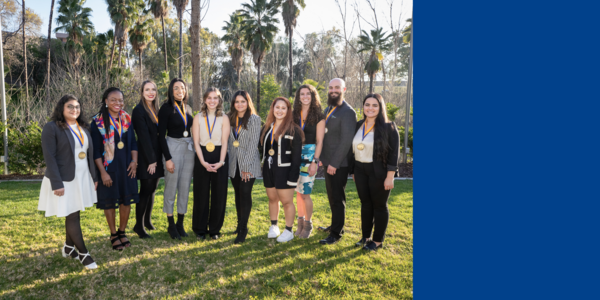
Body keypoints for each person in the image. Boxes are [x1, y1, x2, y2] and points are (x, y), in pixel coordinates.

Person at [38, 94, 99, 269]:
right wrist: (56, 183)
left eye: (77, 107)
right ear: (62, 109)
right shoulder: (52, 128)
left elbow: (89, 155)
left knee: (75, 212)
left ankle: (68, 247)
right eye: (70, 106)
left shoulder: (83, 128)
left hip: (82, 177)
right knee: (72, 214)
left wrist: (93, 177)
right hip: (64, 179)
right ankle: (83, 254)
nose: (74, 110)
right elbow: (49, 157)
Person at [349, 94, 399, 251]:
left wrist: (390, 176)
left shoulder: (388, 127)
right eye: (367, 105)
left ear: (380, 107)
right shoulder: (358, 125)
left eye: (374, 105)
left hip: (379, 172)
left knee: (379, 206)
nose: (370, 108)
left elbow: (394, 155)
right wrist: (353, 172)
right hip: (360, 170)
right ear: (363, 107)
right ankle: (365, 237)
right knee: (365, 204)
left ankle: (377, 241)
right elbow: (352, 150)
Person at [91, 87, 139, 250]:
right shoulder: (97, 121)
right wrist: (103, 173)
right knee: (110, 202)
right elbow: (96, 151)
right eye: (113, 99)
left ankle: (122, 232)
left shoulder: (126, 118)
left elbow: (133, 142)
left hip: (127, 167)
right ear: (106, 101)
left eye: (120, 100)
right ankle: (113, 234)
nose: (117, 103)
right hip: (109, 169)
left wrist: (134, 161)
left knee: (126, 200)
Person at [318, 78, 357, 245]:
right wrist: (322, 158)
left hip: (338, 164)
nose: (333, 90)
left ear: (344, 89)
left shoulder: (348, 112)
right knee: (332, 196)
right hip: (328, 161)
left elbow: (346, 141)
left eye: (337, 88)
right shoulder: (329, 108)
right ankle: (334, 225)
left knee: (337, 198)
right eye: (331, 87)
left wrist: (334, 163)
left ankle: (336, 233)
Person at [260, 97, 304, 243]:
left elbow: (296, 158)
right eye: (277, 107)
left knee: (287, 201)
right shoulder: (266, 128)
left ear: (288, 111)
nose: (279, 110)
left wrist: (293, 177)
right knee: (272, 199)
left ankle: (289, 230)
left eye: (283, 108)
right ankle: (274, 226)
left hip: (285, 171)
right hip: (269, 169)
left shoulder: (294, 130)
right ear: (272, 109)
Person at [158, 78, 195, 240]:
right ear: (171, 91)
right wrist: (168, 158)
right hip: (172, 148)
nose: (180, 91)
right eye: (176, 88)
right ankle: (171, 224)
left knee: (185, 187)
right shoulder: (165, 109)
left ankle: (180, 223)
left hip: (189, 149)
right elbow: (160, 137)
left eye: (182, 88)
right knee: (171, 187)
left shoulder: (188, 108)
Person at [192, 87, 231, 241]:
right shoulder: (198, 118)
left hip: (219, 155)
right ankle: (200, 228)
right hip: (202, 155)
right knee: (201, 194)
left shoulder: (224, 118)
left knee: (219, 194)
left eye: (215, 98)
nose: (212, 101)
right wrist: (202, 162)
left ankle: (215, 229)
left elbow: (225, 142)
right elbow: (196, 142)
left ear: (219, 100)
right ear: (205, 100)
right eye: (209, 98)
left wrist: (221, 162)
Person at [226, 90, 262, 244]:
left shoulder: (254, 119)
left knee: (245, 193)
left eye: (243, 101)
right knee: (238, 194)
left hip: (249, 164)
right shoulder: (229, 118)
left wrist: (246, 167)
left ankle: (244, 229)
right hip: (234, 164)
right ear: (233, 103)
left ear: (248, 103)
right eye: (237, 101)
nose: (240, 104)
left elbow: (253, 145)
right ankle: (239, 225)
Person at [131, 80, 164, 239]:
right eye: (147, 90)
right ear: (142, 92)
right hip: (146, 156)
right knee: (145, 190)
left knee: (152, 189)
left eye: (153, 89)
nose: (151, 92)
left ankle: (147, 221)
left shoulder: (155, 109)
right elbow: (143, 137)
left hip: (157, 155)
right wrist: (151, 160)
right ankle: (138, 226)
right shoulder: (138, 111)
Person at [292, 84, 325, 239]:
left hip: (309, 156)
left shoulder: (318, 115)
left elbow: (320, 141)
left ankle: (308, 223)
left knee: (305, 193)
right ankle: (299, 223)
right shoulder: (293, 114)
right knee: (298, 192)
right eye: (302, 94)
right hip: (294, 154)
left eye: (308, 94)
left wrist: (315, 161)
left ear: (313, 96)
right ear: (298, 97)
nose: (305, 97)